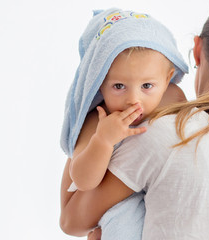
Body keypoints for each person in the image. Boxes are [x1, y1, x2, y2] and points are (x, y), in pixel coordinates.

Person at [60, 0, 209, 239]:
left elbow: (71, 221)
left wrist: (87, 124)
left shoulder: (166, 134)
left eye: (146, 85)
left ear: (197, 49)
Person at [59, 8, 188, 239]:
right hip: (102, 207)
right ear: (99, 83)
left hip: (145, 191)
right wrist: (103, 141)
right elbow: (82, 180)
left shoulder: (173, 97)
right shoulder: (97, 119)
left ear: (167, 78)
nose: (133, 99)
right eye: (118, 86)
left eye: (147, 86)